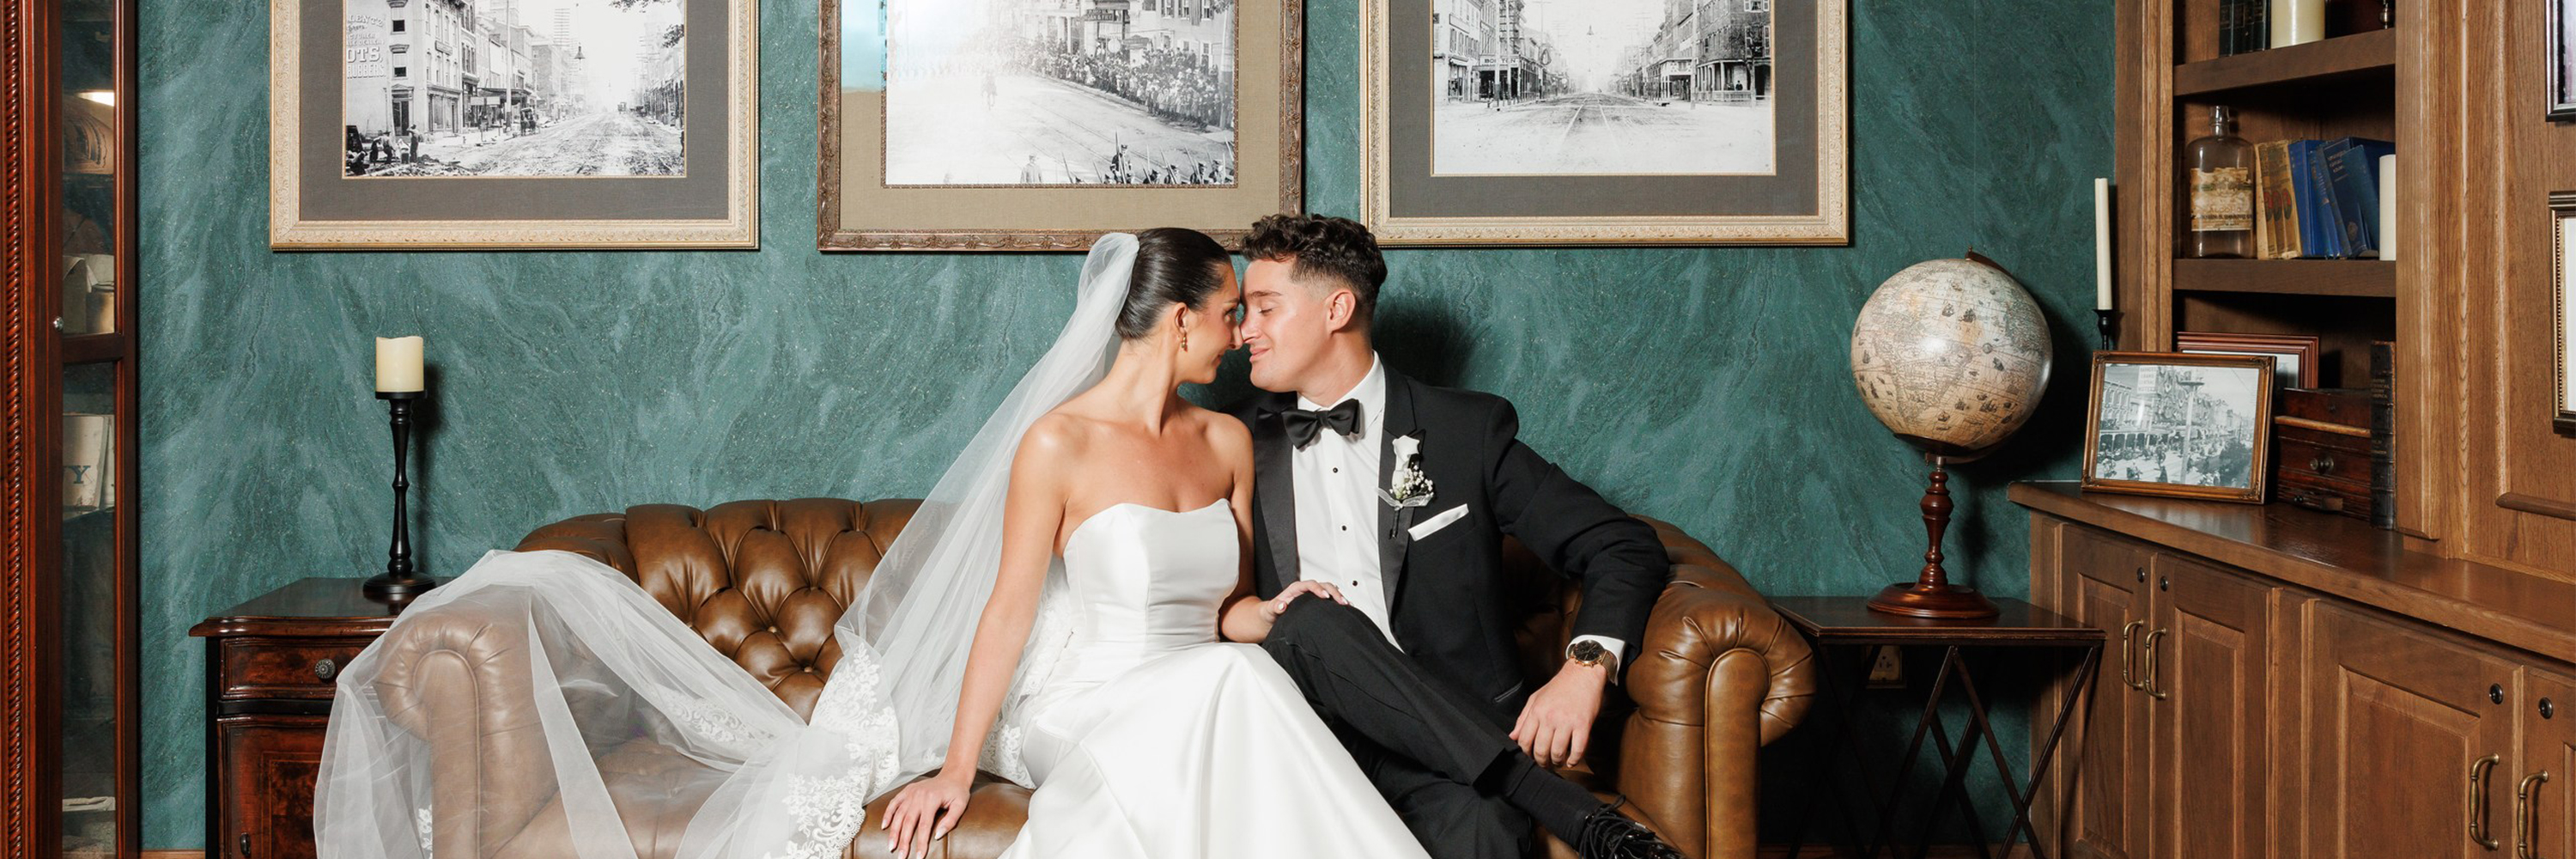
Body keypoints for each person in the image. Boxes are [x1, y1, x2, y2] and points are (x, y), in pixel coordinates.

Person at [314, 231, 1437, 859]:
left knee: (1236, 674)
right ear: (1174, 319)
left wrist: (1281, 611)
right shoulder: (1058, 444)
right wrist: (957, 767)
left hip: (1195, 681)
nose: (1244, 332)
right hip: (1083, 702)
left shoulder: (1229, 442)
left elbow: (1228, 606)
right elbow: (1007, 609)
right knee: (1226, 691)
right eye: (1230, 310)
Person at [1222, 213, 1686, 859]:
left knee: (1484, 832)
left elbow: (1622, 545)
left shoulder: (1465, 431)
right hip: (1306, 738)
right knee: (1306, 617)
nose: (1246, 330)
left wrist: (1585, 668)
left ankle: (1511, 789)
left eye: (1265, 308)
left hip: (1453, 752)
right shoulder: (1230, 441)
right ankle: (1563, 808)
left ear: (1337, 308)